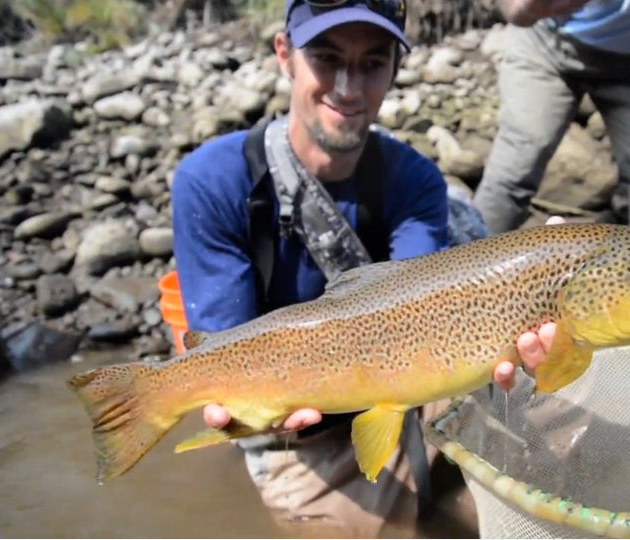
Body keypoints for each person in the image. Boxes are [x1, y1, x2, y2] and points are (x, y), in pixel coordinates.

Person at [169, 0, 556, 536]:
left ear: (395, 68)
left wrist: (538, 278)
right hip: (297, 433)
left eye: (372, 63)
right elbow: (224, 348)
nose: (348, 88)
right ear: (284, 55)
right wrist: (240, 412)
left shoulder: (415, 180)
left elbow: (422, 311)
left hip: (408, 392)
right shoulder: (213, 181)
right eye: (327, 59)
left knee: (546, 457)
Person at [472, 0, 630, 235]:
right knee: (516, 165)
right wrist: (532, 7)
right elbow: (514, 11)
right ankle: (465, 260)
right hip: (544, 48)